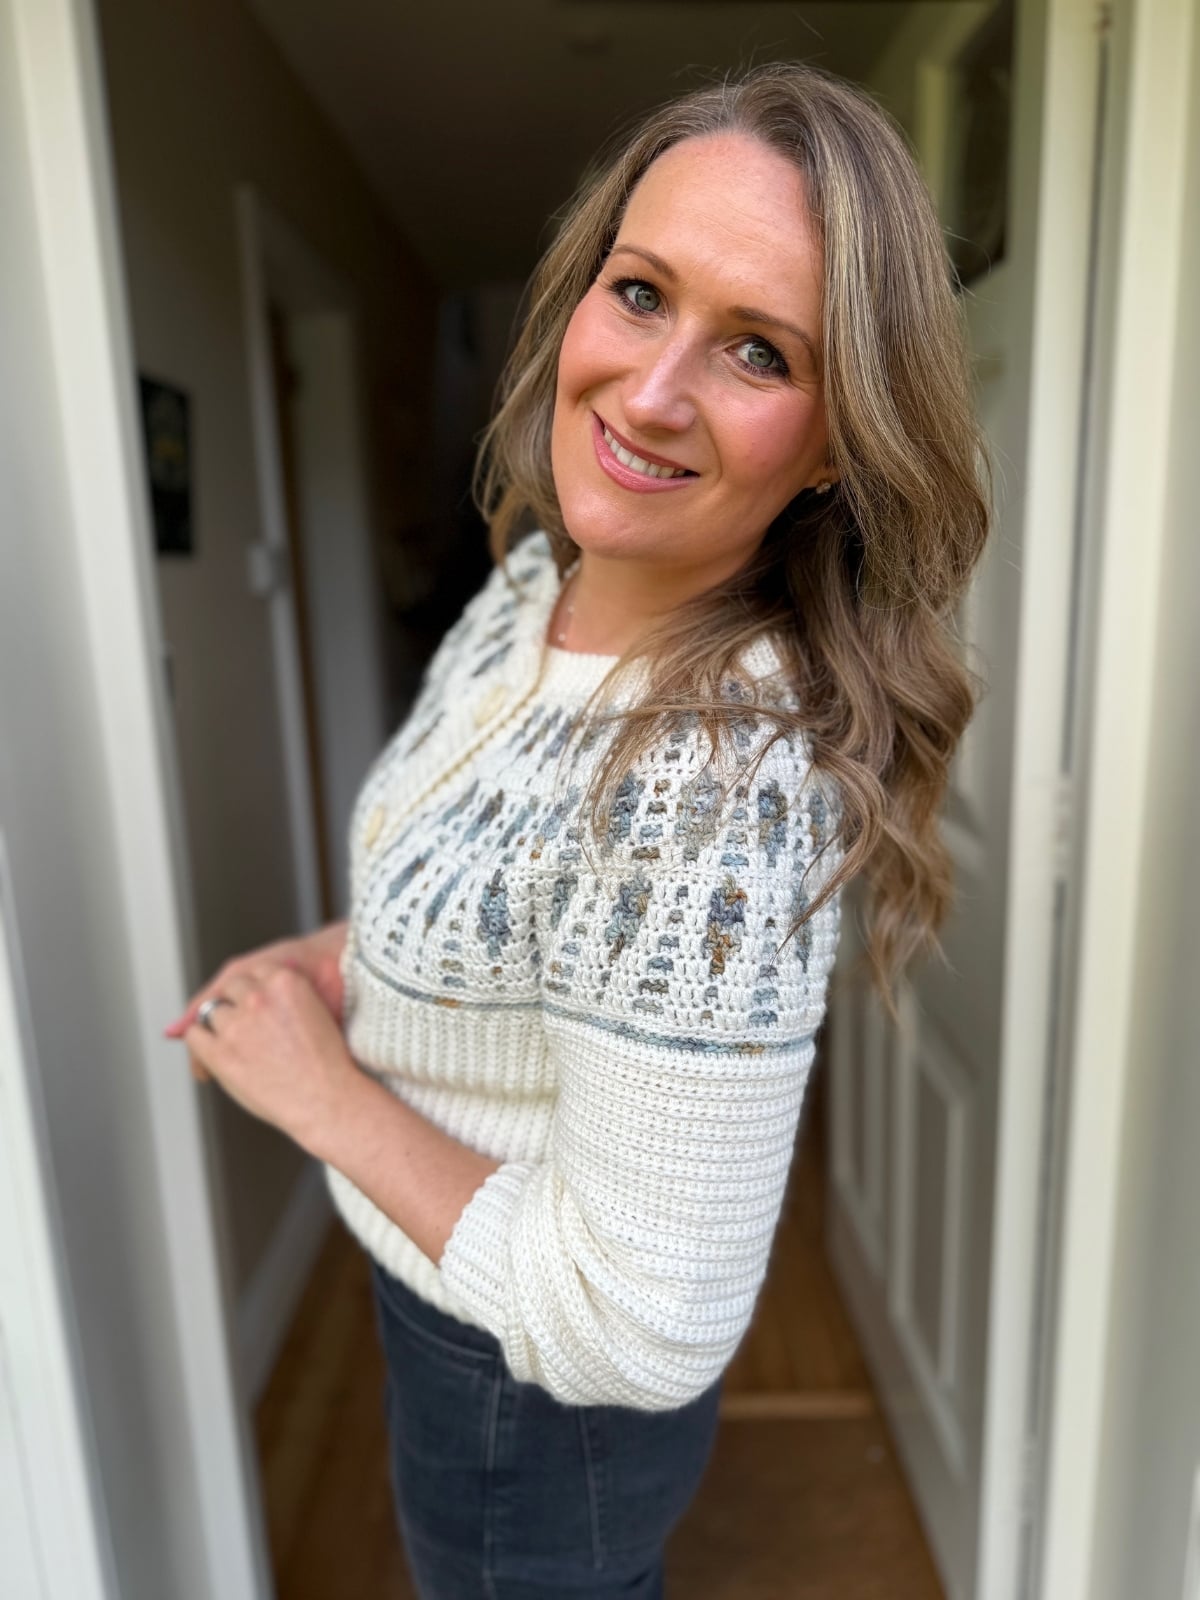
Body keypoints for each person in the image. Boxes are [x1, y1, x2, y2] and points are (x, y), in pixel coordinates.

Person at [165, 60, 989, 1600]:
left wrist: (319, 1095)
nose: (655, 389)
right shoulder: (538, 587)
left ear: (832, 443)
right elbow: (510, 909)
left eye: (758, 350)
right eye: (640, 292)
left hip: (530, 1398)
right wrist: (346, 962)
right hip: (459, 1308)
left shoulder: (709, 776)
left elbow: (637, 1328)